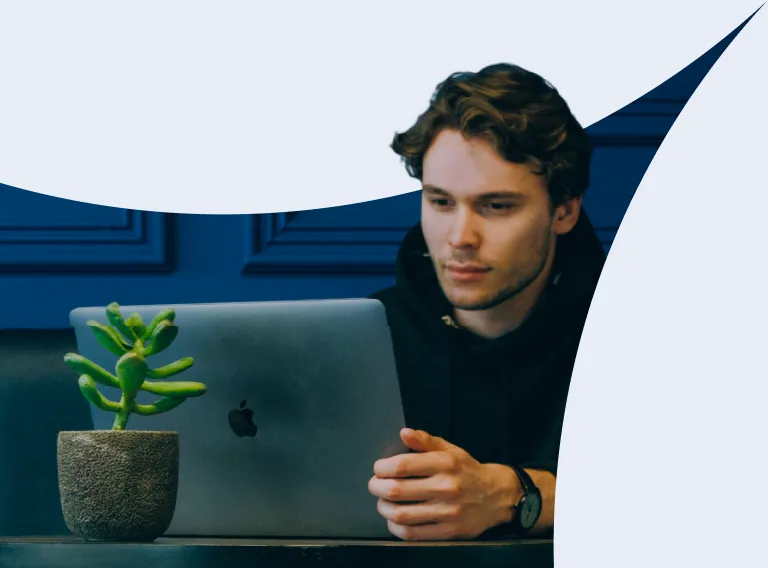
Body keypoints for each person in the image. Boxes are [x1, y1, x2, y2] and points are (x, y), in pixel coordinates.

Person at [367, 63, 606, 541]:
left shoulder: (641, 331)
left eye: (496, 206)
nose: (460, 237)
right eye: (440, 202)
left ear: (564, 210)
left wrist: (513, 496)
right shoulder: (368, 334)